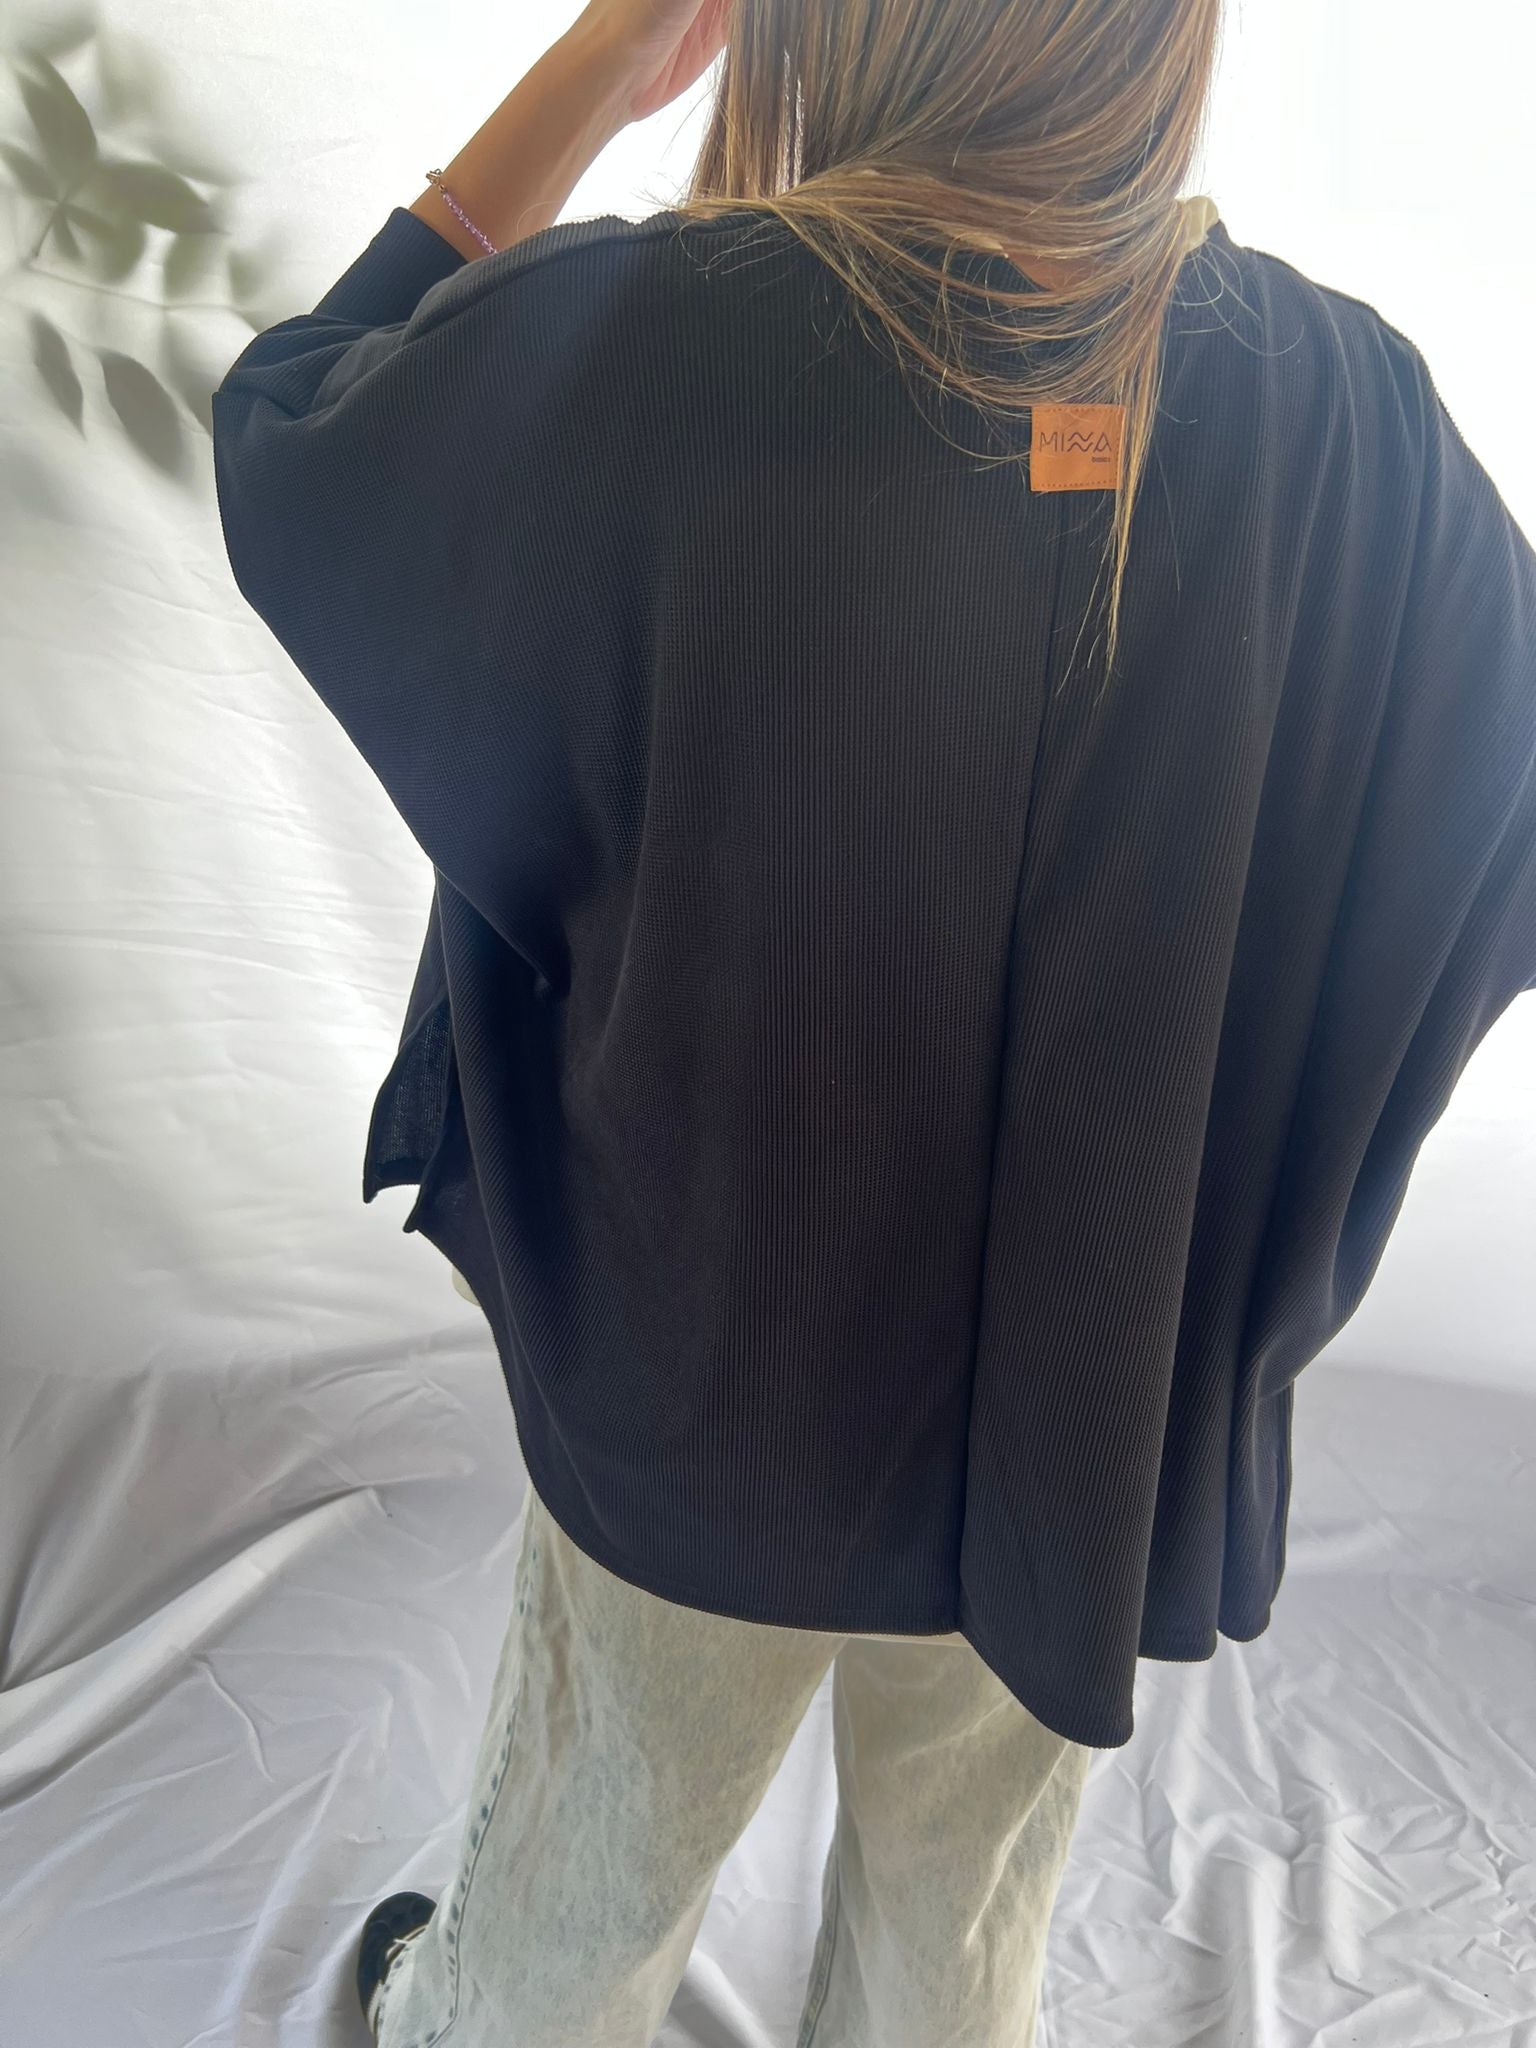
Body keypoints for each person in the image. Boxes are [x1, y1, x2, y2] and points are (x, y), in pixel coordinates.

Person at [208, 0, 1536, 2040]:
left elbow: (300, 432)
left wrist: (604, 65)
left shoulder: (675, 332)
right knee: (953, 1947)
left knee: (584, 1881)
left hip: (711, 1365)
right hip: (1080, 1401)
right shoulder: (1340, 412)